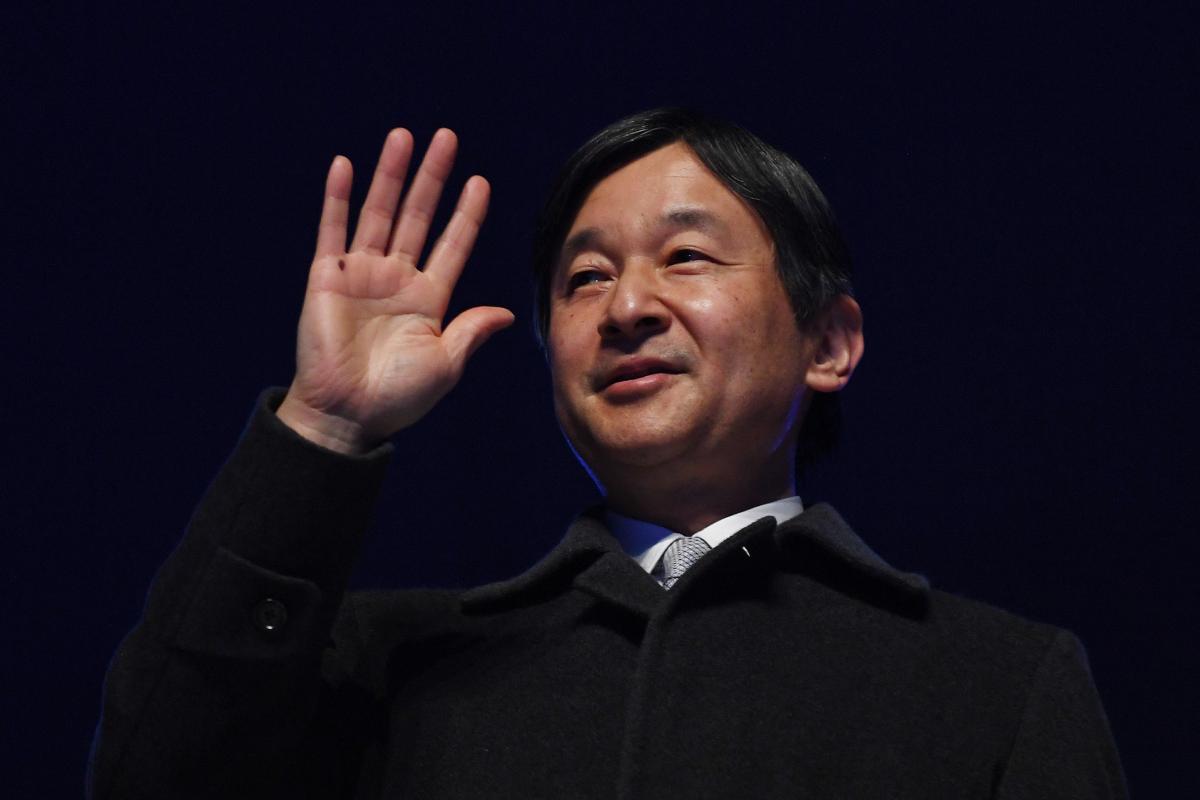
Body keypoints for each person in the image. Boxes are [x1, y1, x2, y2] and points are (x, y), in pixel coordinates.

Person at [89, 109, 1127, 798]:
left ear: (829, 342)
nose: (627, 306)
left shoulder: (996, 681)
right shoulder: (394, 663)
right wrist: (324, 425)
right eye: (585, 277)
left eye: (685, 256)